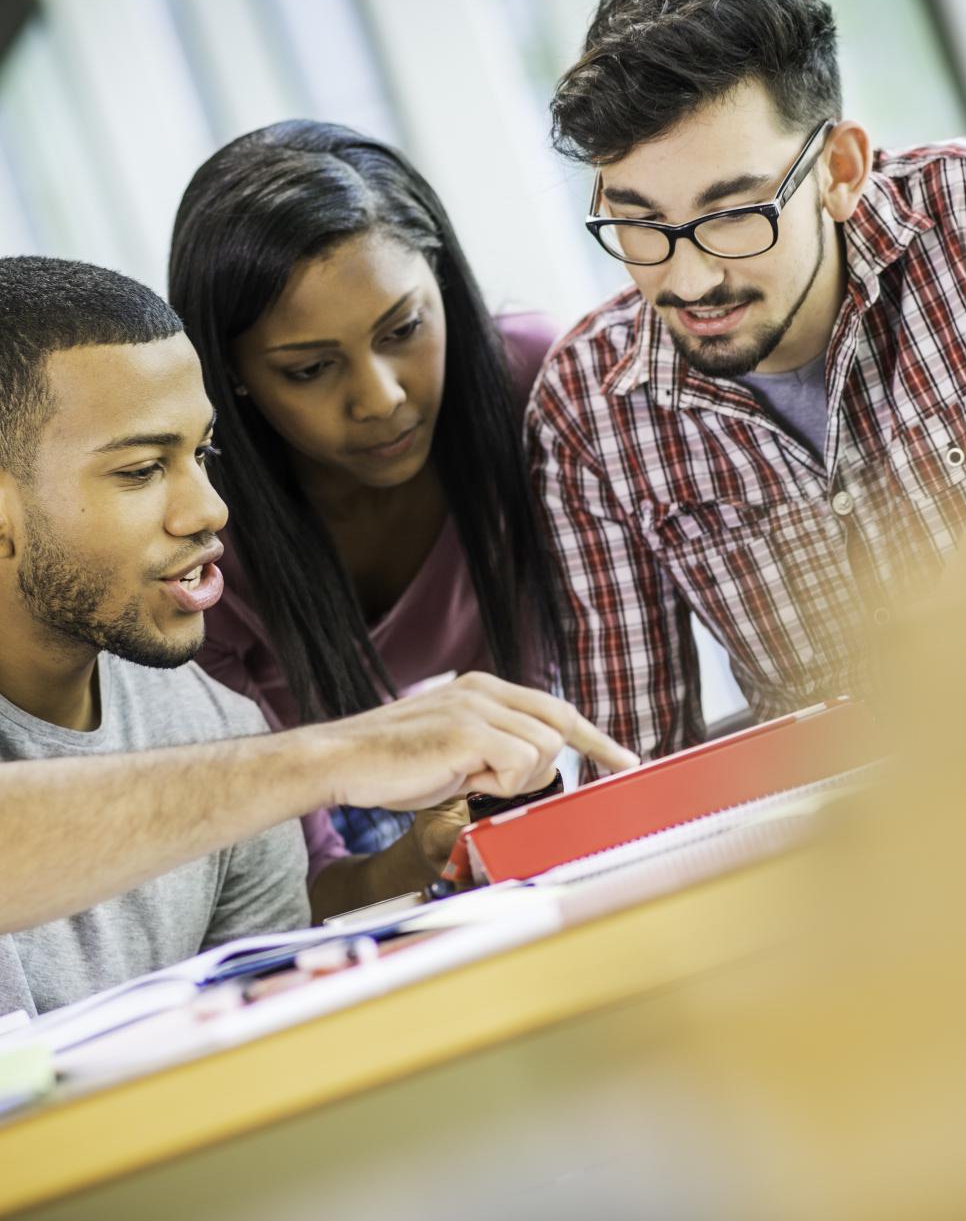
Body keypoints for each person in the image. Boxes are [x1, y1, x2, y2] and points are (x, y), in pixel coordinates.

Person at [0, 255, 635, 1016]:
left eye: (201, 455)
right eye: (140, 470)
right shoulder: (246, 763)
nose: (208, 512)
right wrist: (333, 757)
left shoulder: (211, 723)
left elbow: (271, 1027)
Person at [526, 0, 966, 777]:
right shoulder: (588, 414)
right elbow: (633, 778)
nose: (687, 280)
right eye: (639, 223)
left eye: (733, 214)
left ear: (840, 171)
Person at [168, 121, 562, 903]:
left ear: (442, 284)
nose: (381, 398)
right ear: (232, 376)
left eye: (405, 329)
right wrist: (425, 853)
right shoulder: (198, 543)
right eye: (310, 368)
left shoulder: (535, 388)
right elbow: (293, 895)